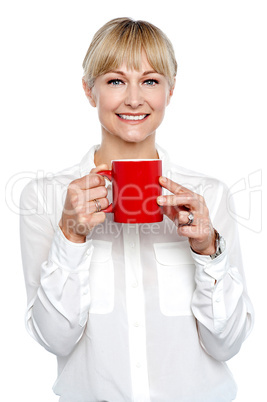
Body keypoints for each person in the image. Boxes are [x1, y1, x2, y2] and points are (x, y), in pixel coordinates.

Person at [20, 17, 254, 402]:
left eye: (150, 81)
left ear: (170, 91)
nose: (133, 98)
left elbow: (226, 345)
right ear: (89, 90)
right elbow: (55, 340)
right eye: (115, 81)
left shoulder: (208, 194)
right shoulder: (44, 199)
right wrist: (71, 237)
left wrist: (209, 249)